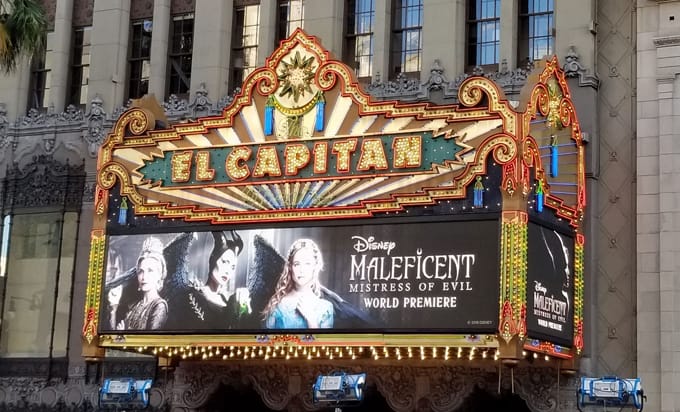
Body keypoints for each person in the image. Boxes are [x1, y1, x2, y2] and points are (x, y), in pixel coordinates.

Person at [166, 230, 253, 330]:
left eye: (233, 267)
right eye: (225, 262)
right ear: (213, 260)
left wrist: (244, 308)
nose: (228, 271)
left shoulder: (227, 300)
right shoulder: (192, 296)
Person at [261, 238, 334, 329]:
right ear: (290, 267)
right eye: (297, 264)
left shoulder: (325, 308)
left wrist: (311, 319)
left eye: (307, 264)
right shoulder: (277, 305)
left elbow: (324, 343)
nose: (301, 270)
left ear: (315, 267)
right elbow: (265, 341)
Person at [115, 236, 169, 330]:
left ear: (159, 276)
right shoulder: (136, 305)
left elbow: (151, 342)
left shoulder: (159, 306)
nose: (144, 277)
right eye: (141, 271)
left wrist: (124, 334)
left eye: (150, 270)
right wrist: (113, 307)